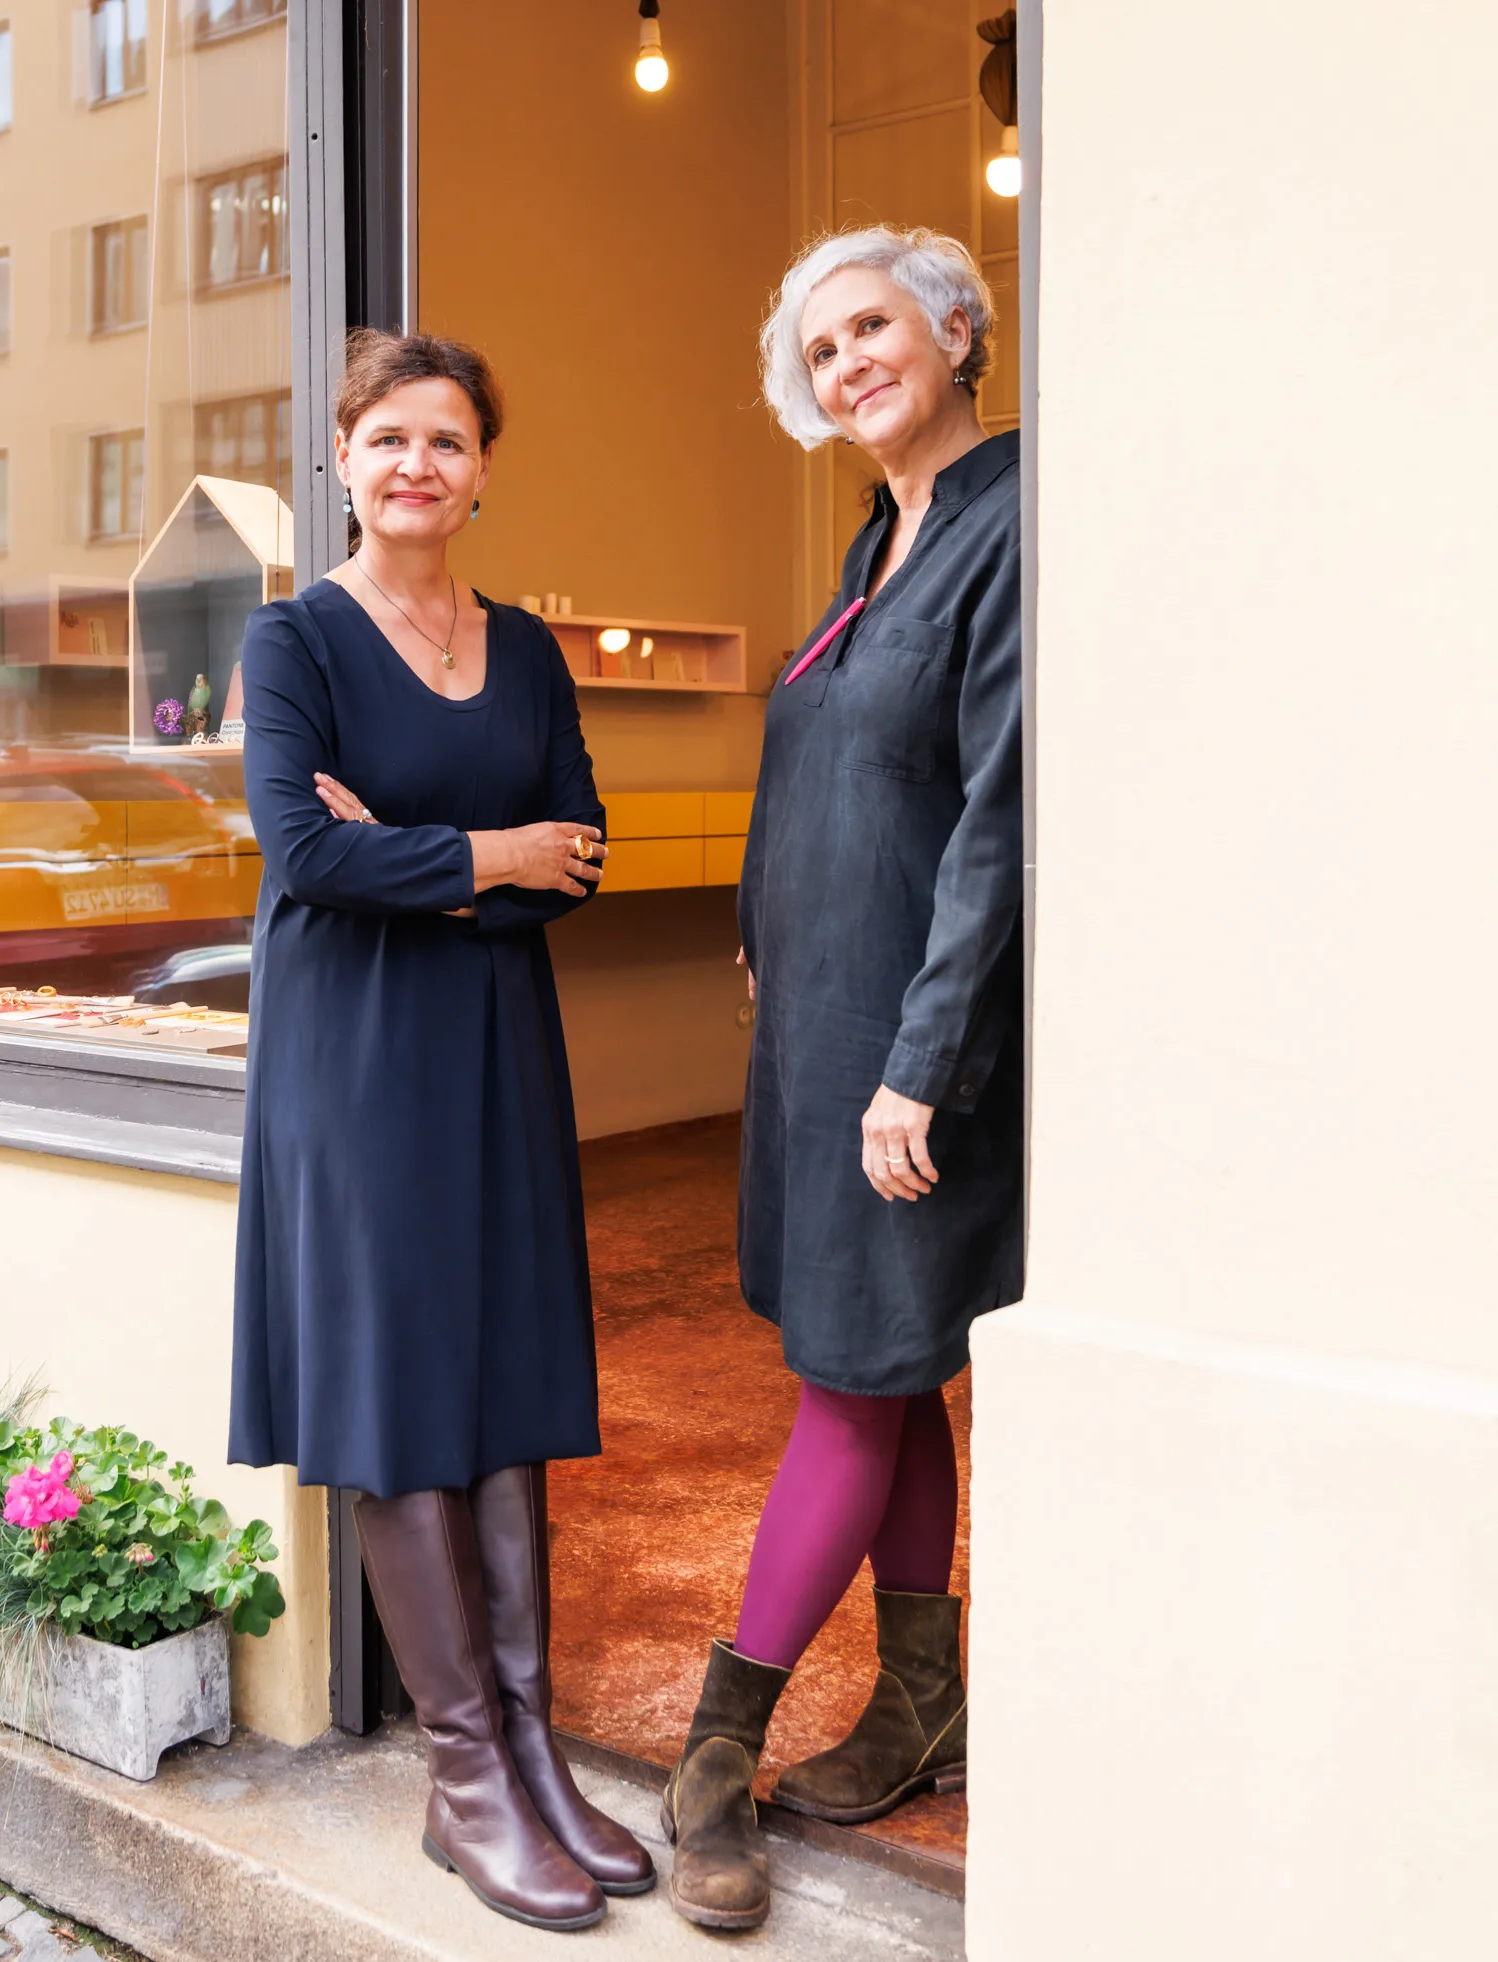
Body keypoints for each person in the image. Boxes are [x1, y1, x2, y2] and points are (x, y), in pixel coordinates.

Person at [229, 329, 655, 1932]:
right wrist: (490, 856)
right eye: (390, 437)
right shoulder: (295, 642)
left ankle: (532, 1756)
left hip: (492, 1045)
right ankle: (464, 1775)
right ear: (343, 457)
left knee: (503, 1379)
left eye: (450, 442)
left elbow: (585, 847)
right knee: (401, 1385)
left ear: (485, 470)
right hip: (353, 1062)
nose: (420, 465)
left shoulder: (530, 647)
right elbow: (299, 854)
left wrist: (420, 850)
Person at [664, 227, 1024, 1933]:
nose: (847, 363)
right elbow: (829, 774)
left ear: (958, 330)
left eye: (872, 326)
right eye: (820, 351)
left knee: (849, 1383)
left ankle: (713, 1745)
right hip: (817, 1038)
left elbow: (1001, 823)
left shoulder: (1016, 522)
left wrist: (921, 1065)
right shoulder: (879, 539)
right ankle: (925, 1702)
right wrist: (760, 932)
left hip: (909, 1053)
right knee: (896, 1368)